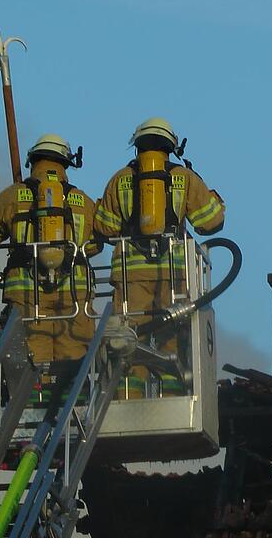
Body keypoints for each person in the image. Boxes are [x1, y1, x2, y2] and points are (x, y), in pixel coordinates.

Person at [94, 117, 225, 398]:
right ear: (171, 146)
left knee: (127, 341)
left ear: (137, 147)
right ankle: (173, 399)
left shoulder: (119, 179)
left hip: (131, 274)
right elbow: (210, 222)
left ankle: (128, 399)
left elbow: (104, 227)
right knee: (172, 340)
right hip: (173, 271)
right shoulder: (184, 177)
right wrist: (209, 194)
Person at [0, 133, 99, 368]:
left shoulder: (13, 194)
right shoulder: (82, 201)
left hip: (26, 294)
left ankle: (35, 393)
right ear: (66, 163)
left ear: (33, 161)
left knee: (33, 363)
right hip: (75, 294)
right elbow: (94, 245)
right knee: (75, 363)